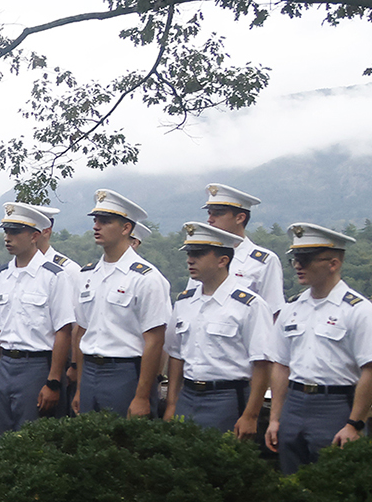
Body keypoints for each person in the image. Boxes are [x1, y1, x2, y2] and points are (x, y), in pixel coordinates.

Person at [266, 222, 372, 474]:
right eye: (296, 259)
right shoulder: (291, 309)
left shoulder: (360, 311)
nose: (298, 265)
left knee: (334, 485)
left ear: (333, 263)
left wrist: (354, 424)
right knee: (291, 484)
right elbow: (280, 365)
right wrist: (275, 418)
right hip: (294, 404)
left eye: (307, 259)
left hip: (336, 405)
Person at [164, 222, 280, 439]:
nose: (190, 259)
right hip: (187, 396)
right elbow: (176, 356)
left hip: (226, 397)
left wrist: (251, 415)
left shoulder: (249, 305)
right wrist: (172, 404)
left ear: (222, 260)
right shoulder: (184, 302)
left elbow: (262, 363)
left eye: (198, 254)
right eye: (189, 253)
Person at [0, 202, 77, 445]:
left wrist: (53, 381)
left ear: (35, 236)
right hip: (6, 366)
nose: (8, 238)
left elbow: (63, 331)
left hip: (36, 365)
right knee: (2, 438)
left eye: (15, 232)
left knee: (33, 441)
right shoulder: (0, 276)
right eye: (6, 231)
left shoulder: (54, 276)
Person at [72, 190, 171, 418]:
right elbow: (82, 331)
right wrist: (79, 388)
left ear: (126, 228)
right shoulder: (87, 274)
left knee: (124, 445)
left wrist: (142, 396)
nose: (97, 226)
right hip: (89, 371)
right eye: (96, 221)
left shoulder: (146, 278)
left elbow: (155, 340)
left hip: (125, 372)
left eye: (105, 222)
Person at [200, 183, 287, 314]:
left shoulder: (264, 261)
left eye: (217, 214)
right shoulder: (201, 257)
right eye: (209, 213)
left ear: (240, 218)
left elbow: (273, 312)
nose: (210, 220)